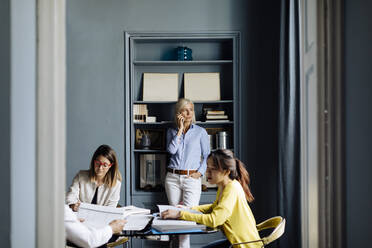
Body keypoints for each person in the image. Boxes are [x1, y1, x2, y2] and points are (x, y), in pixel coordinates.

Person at [161, 149, 261, 248]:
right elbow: (215, 207)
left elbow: (214, 220)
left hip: (244, 246)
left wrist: (180, 214)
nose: (207, 173)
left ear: (226, 172)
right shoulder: (224, 186)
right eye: (207, 168)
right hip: (234, 242)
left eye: (212, 169)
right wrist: (189, 209)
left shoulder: (231, 188)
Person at [165, 98, 210, 248]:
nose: (189, 112)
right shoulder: (171, 131)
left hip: (192, 178)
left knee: (187, 219)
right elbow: (171, 151)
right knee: (175, 220)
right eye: (185, 109)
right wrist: (179, 130)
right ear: (179, 113)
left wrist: (200, 173)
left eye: (191, 109)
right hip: (172, 178)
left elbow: (207, 155)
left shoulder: (200, 132)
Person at [66, 144, 122, 211]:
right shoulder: (81, 176)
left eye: (105, 165)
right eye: (98, 163)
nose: (100, 168)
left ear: (111, 166)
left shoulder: (116, 184)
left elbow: (111, 208)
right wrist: (73, 205)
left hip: (102, 218)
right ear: (93, 161)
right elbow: (71, 195)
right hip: (80, 216)